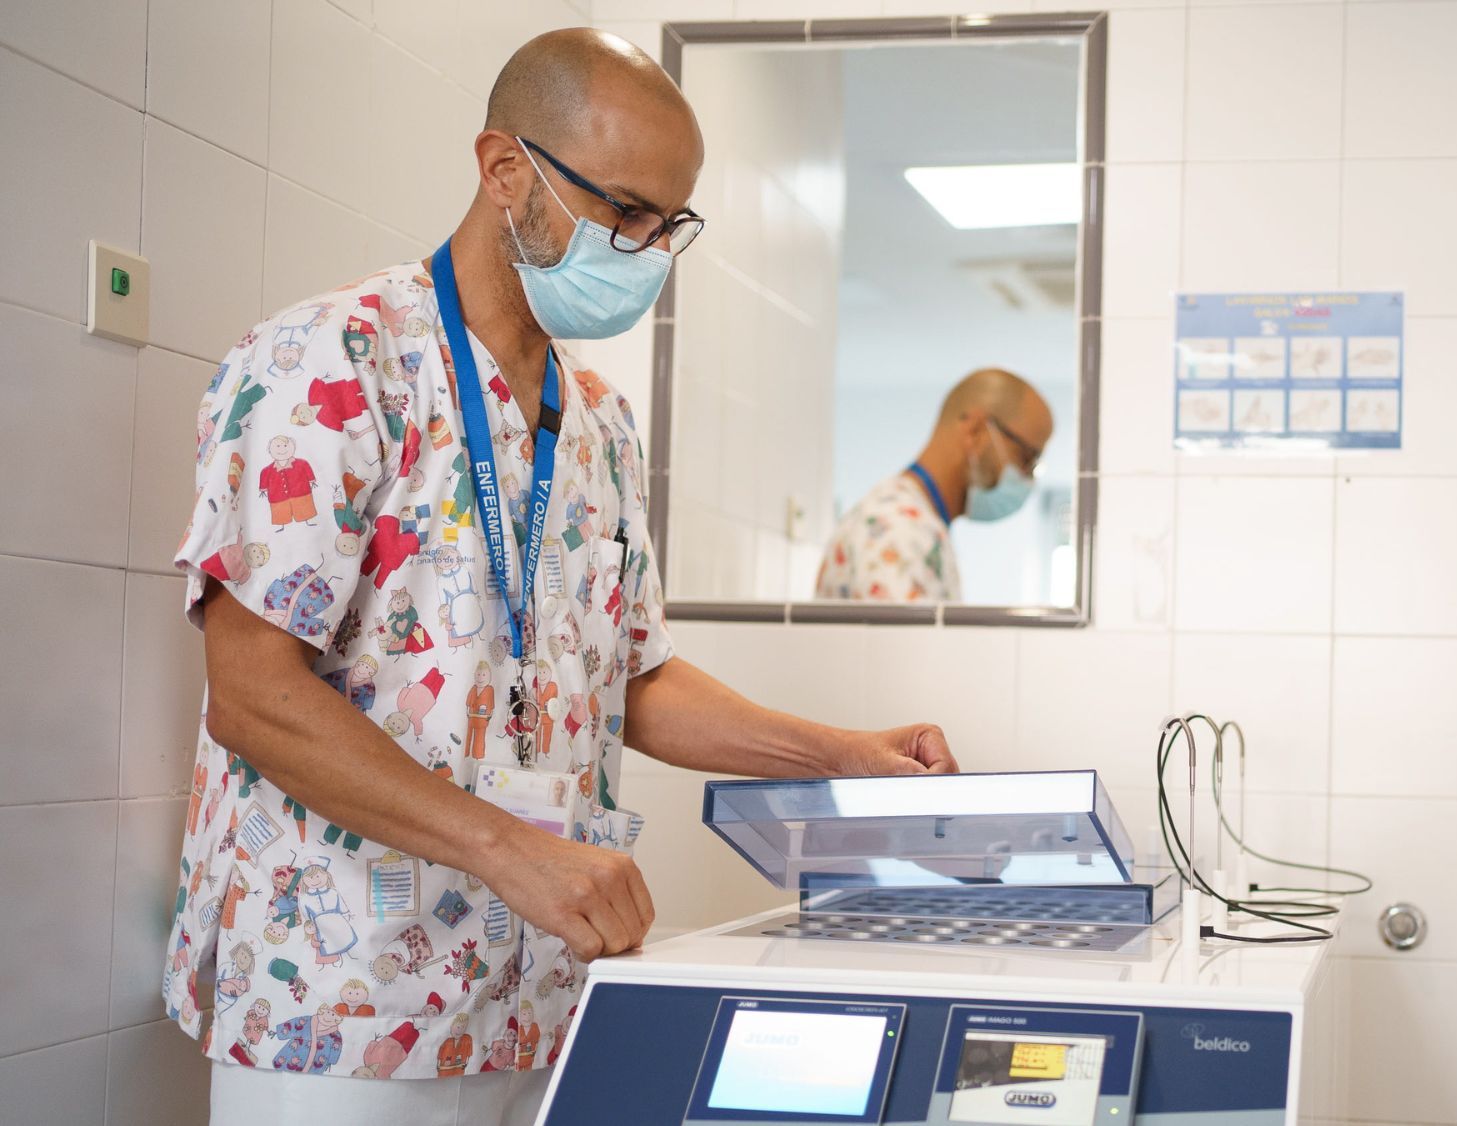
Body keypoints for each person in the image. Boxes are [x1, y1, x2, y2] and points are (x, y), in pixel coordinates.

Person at [168, 28, 957, 1125]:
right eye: (624, 212)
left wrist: (839, 757)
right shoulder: (330, 365)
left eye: (667, 225)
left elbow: (632, 680)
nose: (646, 251)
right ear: (505, 171)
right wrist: (511, 851)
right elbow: (253, 694)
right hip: (338, 1006)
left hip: (541, 992)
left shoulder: (599, 425)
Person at [814, 368, 1053, 602]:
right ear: (976, 431)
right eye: (1026, 458)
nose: (1026, 478)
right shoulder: (896, 528)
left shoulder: (921, 526)